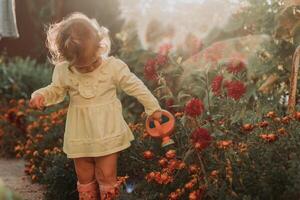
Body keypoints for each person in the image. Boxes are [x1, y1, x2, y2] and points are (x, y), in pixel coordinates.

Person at [29, 12, 162, 200]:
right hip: (79, 134)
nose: (84, 69)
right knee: (84, 177)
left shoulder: (113, 67)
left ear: (100, 46)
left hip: (106, 132)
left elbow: (136, 86)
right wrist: (41, 95)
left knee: (106, 176)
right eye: (79, 66)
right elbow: (56, 90)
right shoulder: (64, 70)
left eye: (88, 63)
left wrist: (153, 108)